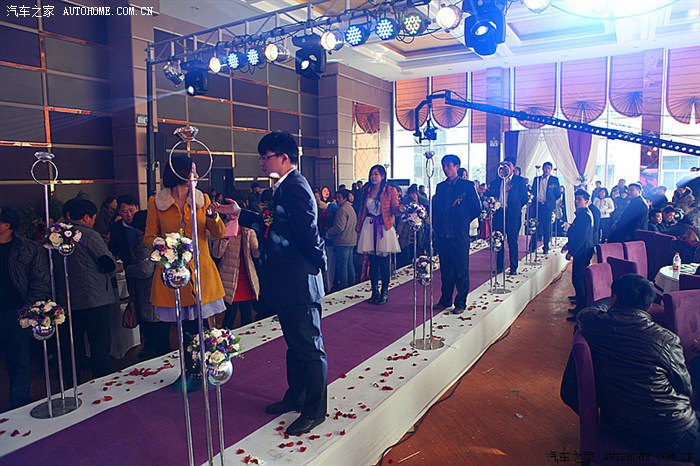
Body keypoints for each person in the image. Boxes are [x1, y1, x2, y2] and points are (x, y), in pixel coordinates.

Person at [214, 131, 328, 436]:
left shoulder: (296, 188)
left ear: (285, 158)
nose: (262, 162)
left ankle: (315, 410)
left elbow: (310, 234)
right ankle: (296, 396)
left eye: (266, 157)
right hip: (287, 278)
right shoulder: (283, 187)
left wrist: (320, 266)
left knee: (309, 346)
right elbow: (272, 223)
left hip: (300, 278)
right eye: (261, 157)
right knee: (295, 343)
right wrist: (240, 214)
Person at [573, 274, 699, 459]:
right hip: (671, 432)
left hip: (619, 422)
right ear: (649, 307)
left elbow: (587, 311)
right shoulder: (666, 339)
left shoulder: (593, 323)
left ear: (614, 299)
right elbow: (685, 389)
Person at [145, 154, 227, 390]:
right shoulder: (157, 202)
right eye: (192, 170)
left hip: (201, 272)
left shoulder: (203, 199)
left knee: (202, 326)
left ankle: (206, 368)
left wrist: (213, 216)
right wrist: (167, 247)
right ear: (178, 172)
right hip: (175, 274)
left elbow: (219, 233)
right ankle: (189, 371)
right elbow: (149, 237)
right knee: (183, 328)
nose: (196, 175)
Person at [56, 198, 117, 382]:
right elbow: (107, 263)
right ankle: (102, 383)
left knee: (71, 346)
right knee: (99, 345)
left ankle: (71, 384)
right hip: (94, 299)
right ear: (86, 217)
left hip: (66, 300)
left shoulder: (55, 236)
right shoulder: (89, 235)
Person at [0, 206, 50, 408]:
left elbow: (40, 280)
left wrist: (28, 310)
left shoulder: (28, 248)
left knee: (19, 359)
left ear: (7, 225)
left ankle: (19, 404)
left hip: (16, 310)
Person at [432, 155, 481, 314]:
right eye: (444, 166)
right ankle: (445, 299)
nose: (446, 169)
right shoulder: (440, 187)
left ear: (457, 166)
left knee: (461, 269)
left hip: (459, 234)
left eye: (449, 166)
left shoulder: (467, 186)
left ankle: (460, 302)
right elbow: (437, 207)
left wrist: (463, 220)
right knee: (446, 269)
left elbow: (476, 208)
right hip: (443, 234)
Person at [125, 210, 171, 359]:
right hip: (162, 290)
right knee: (162, 330)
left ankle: (156, 358)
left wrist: (128, 268)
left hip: (149, 291)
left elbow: (144, 271)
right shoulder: (162, 240)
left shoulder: (145, 244)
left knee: (154, 330)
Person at [355, 164, 402, 305]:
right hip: (369, 225)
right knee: (372, 262)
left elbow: (394, 208)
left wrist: (402, 209)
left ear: (382, 176)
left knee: (384, 262)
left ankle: (385, 291)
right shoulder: (366, 190)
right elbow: (362, 209)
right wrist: (358, 226)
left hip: (383, 225)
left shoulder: (390, 190)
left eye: (376, 174)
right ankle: (374, 290)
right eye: (372, 174)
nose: (373, 177)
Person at [211, 210, 260, 328]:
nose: (232, 216)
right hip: (229, 277)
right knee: (230, 314)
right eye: (229, 213)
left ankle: (248, 338)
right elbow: (216, 253)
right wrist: (226, 235)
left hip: (247, 277)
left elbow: (255, 253)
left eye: (234, 213)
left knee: (247, 314)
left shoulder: (248, 230)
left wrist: (262, 244)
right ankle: (225, 338)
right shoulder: (221, 228)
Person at [486, 158, 529, 275]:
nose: (506, 168)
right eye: (504, 166)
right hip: (499, 214)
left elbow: (525, 198)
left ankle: (513, 267)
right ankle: (499, 266)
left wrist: (515, 207)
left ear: (513, 167)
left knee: (512, 241)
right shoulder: (496, 181)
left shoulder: (519, 181)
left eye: (508, 165)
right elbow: (490, 195)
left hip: (512, 215)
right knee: (498, 239)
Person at [563, 190, 595, 320]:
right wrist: (568, 245)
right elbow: (576, 233)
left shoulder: (585, 216)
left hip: (582, 251)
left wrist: (571, 251)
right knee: (578, 279)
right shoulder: (583, 214)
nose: (576, 202)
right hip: (582, 250)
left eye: (579, 200)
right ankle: (579, 302)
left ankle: (581, 311)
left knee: (579, 280)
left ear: (587, 201)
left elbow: (581, 237)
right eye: (576, 199)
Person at [326, 189, 357, 291]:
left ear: (344, 198)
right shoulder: (350, 208)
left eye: (339, 198)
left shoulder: (342, 210)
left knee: (342, 266)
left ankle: (343, 286)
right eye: (336, 197)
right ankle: (351, 285)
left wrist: (328, 233)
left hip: (342, 241)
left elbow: (339, 227)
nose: (337, 199)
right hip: (351, 240)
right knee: (349, 264)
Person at [529, 161, 560, 254]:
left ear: (551, 170)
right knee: (534, 225)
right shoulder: (537, 179)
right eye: (545, 168)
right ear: (542, 169)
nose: (546, 170)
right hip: (538, 205)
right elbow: (533, 191)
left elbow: (558, 193)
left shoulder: (554, 180)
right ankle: (532, 246)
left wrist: (551, 200)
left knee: (547, 227)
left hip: (547, 206)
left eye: (548, 168)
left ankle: (546, 246)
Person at [108, 194, 140, 267]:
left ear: (137, 208)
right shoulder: (115, 228)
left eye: (132, 210)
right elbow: (113, 249)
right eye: (124, 212)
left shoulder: (146, 224)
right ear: (119, 211)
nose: (129, 215)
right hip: (127, 266)